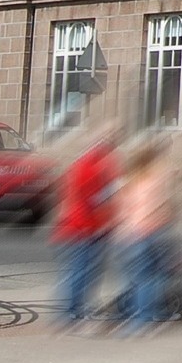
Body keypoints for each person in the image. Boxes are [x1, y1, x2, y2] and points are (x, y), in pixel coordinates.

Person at [51, 131, 119, 326]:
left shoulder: (82, 165)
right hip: (85, 228)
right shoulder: (92, 167)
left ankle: (73, 309)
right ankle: (73, 311)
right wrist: (105, 221)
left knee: (79, 270)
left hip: (79, 227)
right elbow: (94, 200)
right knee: (82, 271)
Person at [118, 135, 177, 330]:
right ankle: (146, 315)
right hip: (152, 231)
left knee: (138, 275)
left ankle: (135, 312)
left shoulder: (132, 179)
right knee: (154, 275)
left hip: (133, 232)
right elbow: (163, 206)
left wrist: (124, 228)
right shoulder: (157, 178)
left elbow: (125, 207)